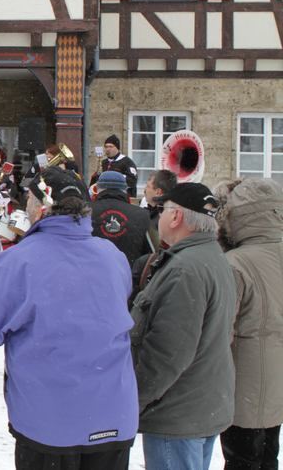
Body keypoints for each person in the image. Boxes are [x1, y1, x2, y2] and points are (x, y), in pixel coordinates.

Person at [0, 166, 138, 469]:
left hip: (50, 421)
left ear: (41, 207)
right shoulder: (112, 255)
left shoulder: (19, 261)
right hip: (113, 415)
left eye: (28, 199)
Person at [131, 182, 236, 470]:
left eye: (163, 210)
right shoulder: (211, 257)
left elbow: (168, 352)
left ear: (176, 217)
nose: (160, 217)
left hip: (176, 414)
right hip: (198, 405)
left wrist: (134, 399)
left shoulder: (185, 269)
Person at [214, 178, 283, 469]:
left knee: (242, 459)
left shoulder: (235, 263)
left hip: (243, 386)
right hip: (276, 383)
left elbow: (221, 334)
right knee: (268, 457)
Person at [90, 170, 152, 266]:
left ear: (97, 188)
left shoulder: (85, 213)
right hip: (129, 276)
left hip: (93, 274)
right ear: (124, 190)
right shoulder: (142, 215)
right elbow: (151, 254)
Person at [91, 134, 139, 199]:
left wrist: (116, 176)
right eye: (106, 147)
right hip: (106, 197)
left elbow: (132, 181)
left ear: (117, 148)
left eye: (110, 147)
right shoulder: (104, 162)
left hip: (123, 197)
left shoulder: (127, 162)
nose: (108, 149)